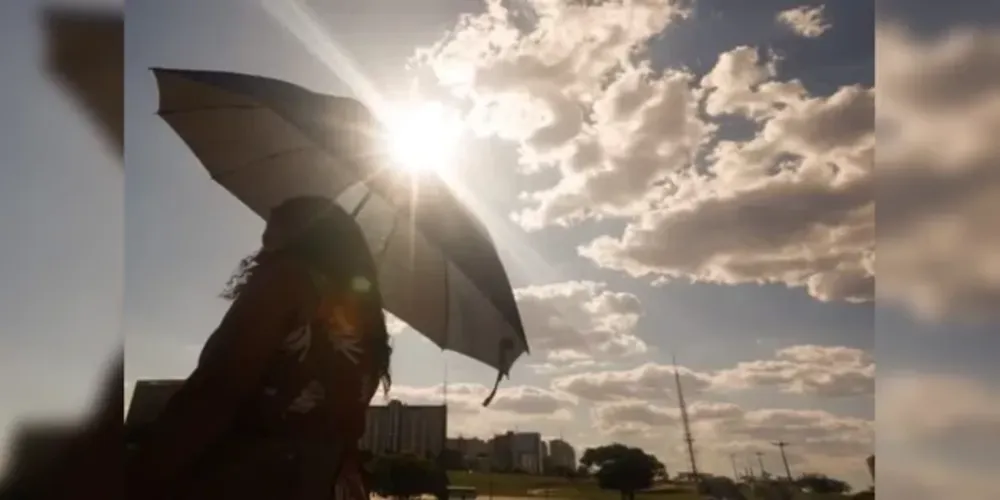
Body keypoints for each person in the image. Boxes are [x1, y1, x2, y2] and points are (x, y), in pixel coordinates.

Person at [126, 196, 392, 500]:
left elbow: (218, 388)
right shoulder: (370, 324)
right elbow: (349, 428)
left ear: (304, 232)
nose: (264, 242)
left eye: (271, 231)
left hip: (237, 478)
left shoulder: (287, 280)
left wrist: (142, 474)